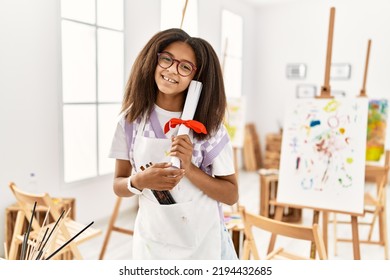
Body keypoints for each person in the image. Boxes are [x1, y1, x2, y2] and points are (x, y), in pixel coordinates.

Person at [108, 28, 239, 260]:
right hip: (152, 243)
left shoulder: (209, 127)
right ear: (153, 60)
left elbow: (230, 194)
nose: (171, 70)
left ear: (196, 77)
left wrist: (189, 168)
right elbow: (118, 184)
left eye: (185, 66)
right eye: (167, 59)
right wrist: (138, 181)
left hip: (202, 244)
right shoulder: (130, 122)